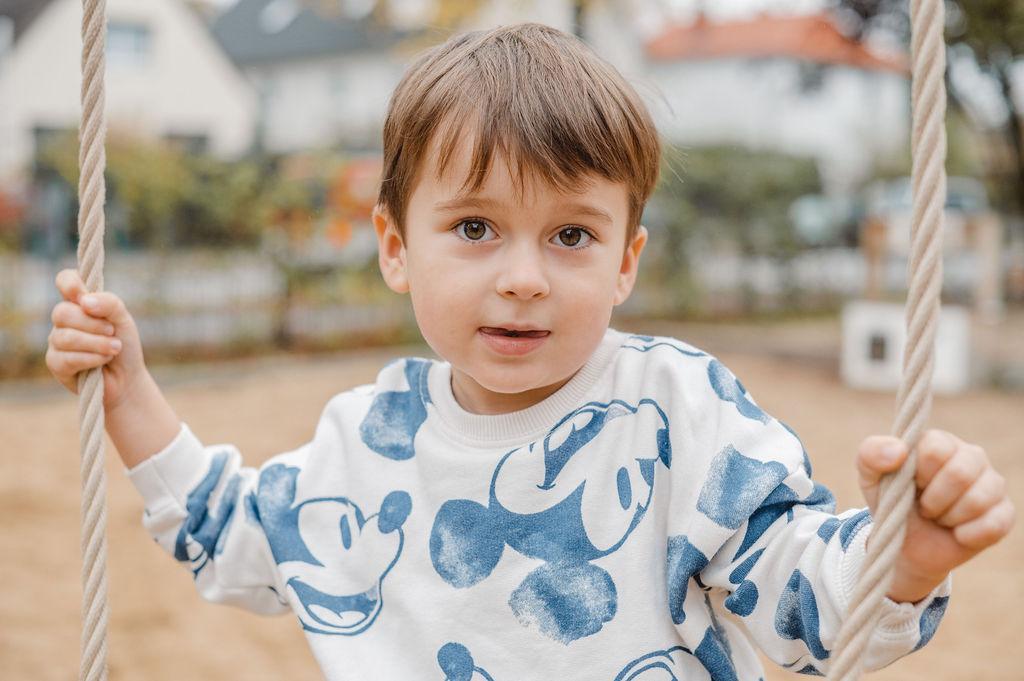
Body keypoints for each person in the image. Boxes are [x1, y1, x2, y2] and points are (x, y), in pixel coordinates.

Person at [46, 23, 1013, 681]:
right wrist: (128, 389)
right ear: (394, 246)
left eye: (571, 236)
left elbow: (799, 602)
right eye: (473, 228)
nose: (522, 277)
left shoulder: (678, 411)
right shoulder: (365, 441)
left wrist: (905, 557)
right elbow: (225, 529)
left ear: (627, 261)